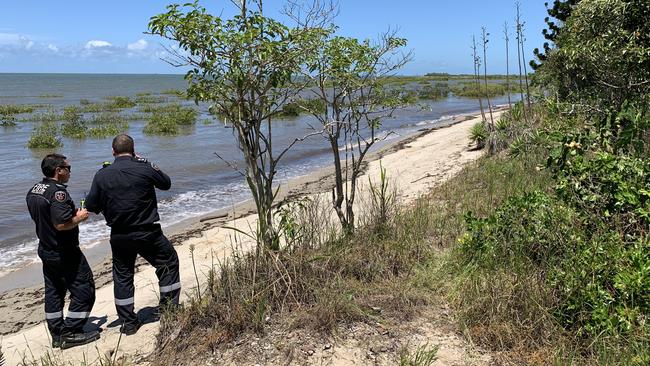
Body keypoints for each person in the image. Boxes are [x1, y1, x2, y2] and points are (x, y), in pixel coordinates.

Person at [85, 134, 180, 335]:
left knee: (123, 276)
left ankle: (128, 322)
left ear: (113, 152)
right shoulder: (144, 167)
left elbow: (92, 205)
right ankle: (169, 308)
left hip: (120, 235)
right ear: (134, 150)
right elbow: (166, 183)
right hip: (148, 231)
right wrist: (147, 162)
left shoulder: (102, 175)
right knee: (168, 263)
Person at [26, 154, 100, 349]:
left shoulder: (34, 190)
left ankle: (57, 333)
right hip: (64, 251)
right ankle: (71, 332)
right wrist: (80, 217)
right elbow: (60, 224)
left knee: (54, 293)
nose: (69, 171)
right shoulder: (58, 193)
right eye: (68, 168)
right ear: (58, 170)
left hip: (46, 248)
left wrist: (71, 214)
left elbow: (47, 217)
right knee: (85, 290)